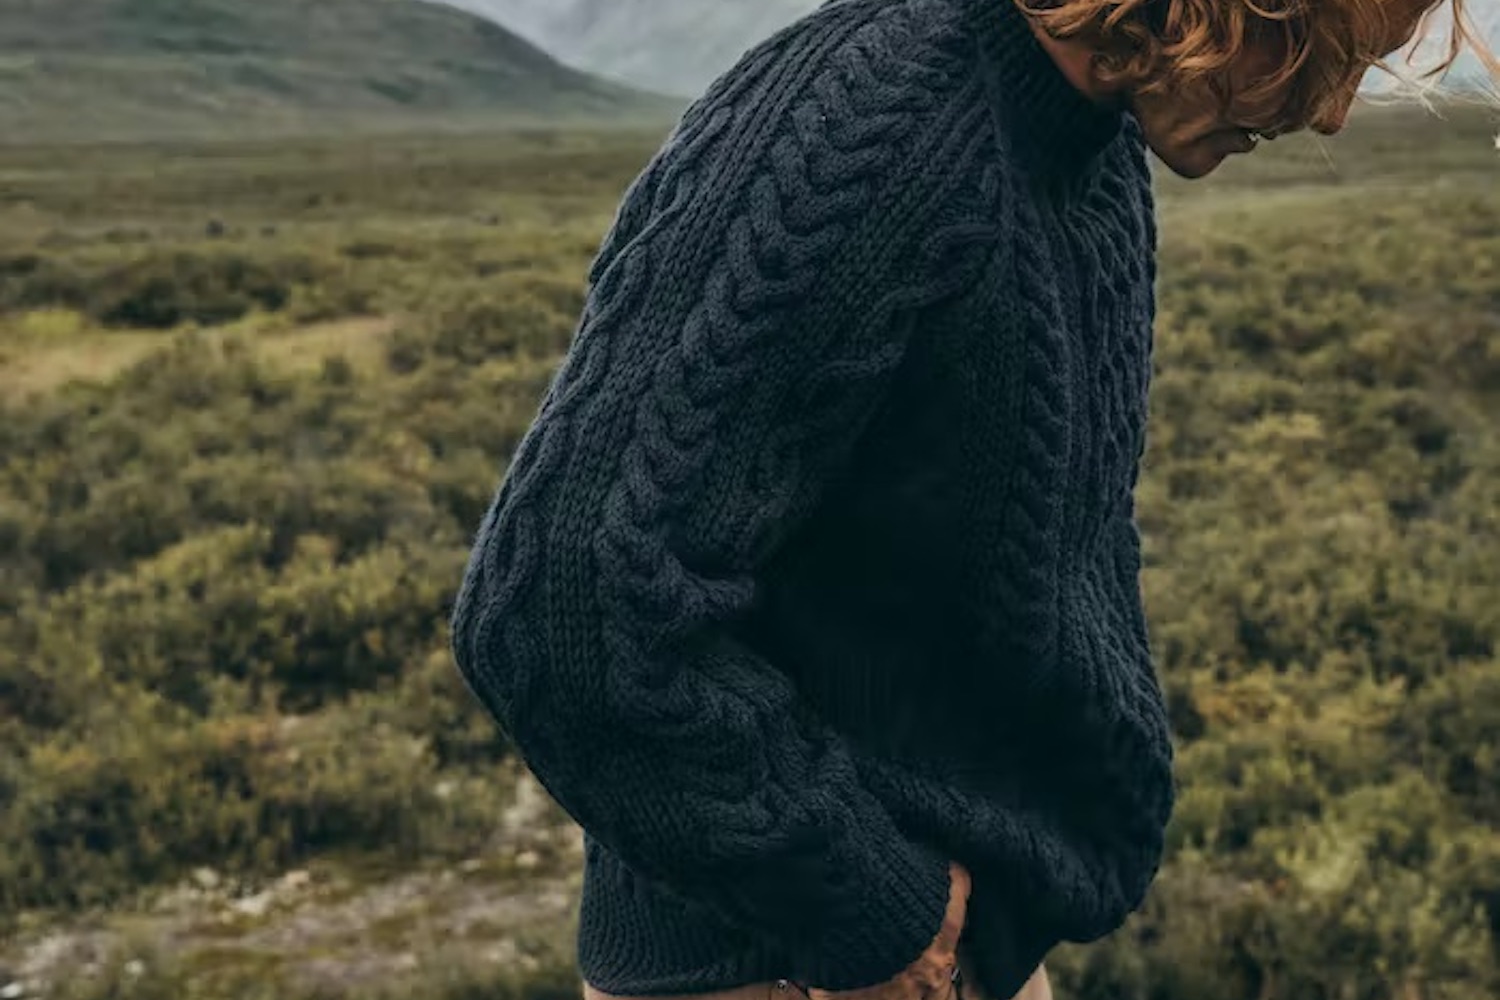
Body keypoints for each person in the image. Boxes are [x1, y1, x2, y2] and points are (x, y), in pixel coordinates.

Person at [449, 3, 1495, 1000]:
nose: (1330, 111)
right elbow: (563, 598)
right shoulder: (879, 112)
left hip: (929, 946)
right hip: (793, 961)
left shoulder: (1084, 141)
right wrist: (876, 906)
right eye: (1321, 41)